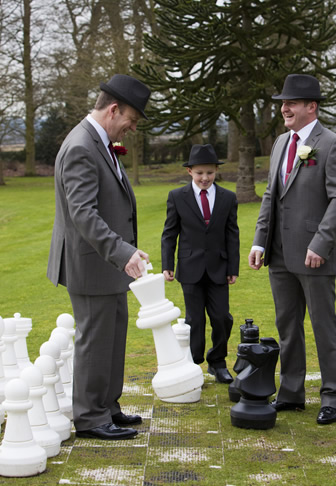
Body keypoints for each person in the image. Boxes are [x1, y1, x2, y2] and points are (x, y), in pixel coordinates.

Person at [47, 74, 151, 440]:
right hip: (90, 262)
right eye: (131, 121)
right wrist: (122, 252)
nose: (131, 129)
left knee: (113, 334)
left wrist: (126, 250)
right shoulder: (80, 146)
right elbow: (84, 214)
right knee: (95, 339)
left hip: (107, 264)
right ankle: (91, 418)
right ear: (113, 109)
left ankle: (108, 406)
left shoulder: (98, 142)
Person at [248, 74, 336, 425]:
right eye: (282, 102)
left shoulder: (333, 143)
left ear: (312, 106)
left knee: (324, 326)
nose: (284, 108)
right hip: (278, 254)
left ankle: (333, 396)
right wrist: (259, 241)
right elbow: (270, 194)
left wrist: (321, 243)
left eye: (291, 102)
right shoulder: (280, 143)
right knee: (288, 325)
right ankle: (291, 392)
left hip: (314, 253)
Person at [161, 144, 240, 384]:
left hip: (219, 268)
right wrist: (168, 263)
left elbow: (232, 234)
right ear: (190, 172)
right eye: (199, 173)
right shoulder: (177, 196)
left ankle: (217, 362)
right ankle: (193, 363)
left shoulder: (228, 197)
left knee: (221, 317)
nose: (205, 178)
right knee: (194, 319)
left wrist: (232, 268)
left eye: (209, 172)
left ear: (216, 170)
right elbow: (169, 232)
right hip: (190, 267)